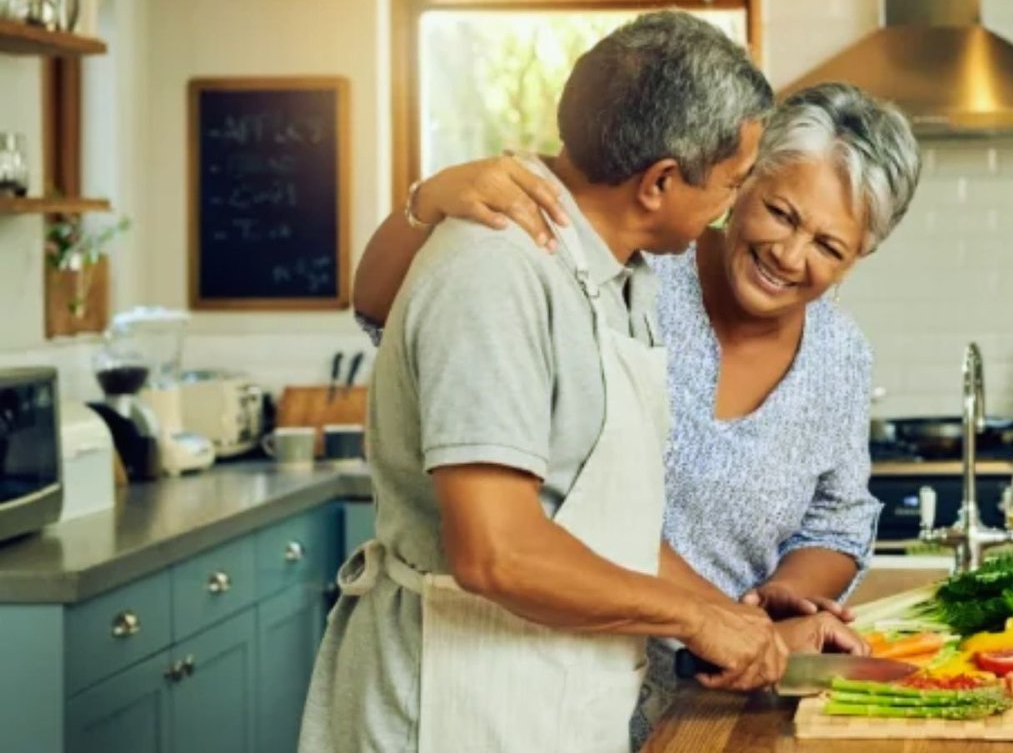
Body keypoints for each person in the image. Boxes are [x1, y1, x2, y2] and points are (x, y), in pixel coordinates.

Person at [352, 82, 924, 746]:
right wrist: (427, 201)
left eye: (830, 247)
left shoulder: (840, 353)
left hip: (723, 678)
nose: (790, 256)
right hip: (540, 661)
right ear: (743, 180)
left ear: (859, 259)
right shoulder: (635, 267)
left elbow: (838, 516)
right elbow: (388, 307)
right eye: (781, 213)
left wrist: (763, 611)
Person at [298, 11, 789, 753]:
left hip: (543, 698)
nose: (731, 205)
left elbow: (601, 528)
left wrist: (738, 623)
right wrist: (693, 619)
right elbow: (499, 552)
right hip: (452, 711)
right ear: (658, 182)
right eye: (731, 182)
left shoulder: (621, 275)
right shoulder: (496, 271)